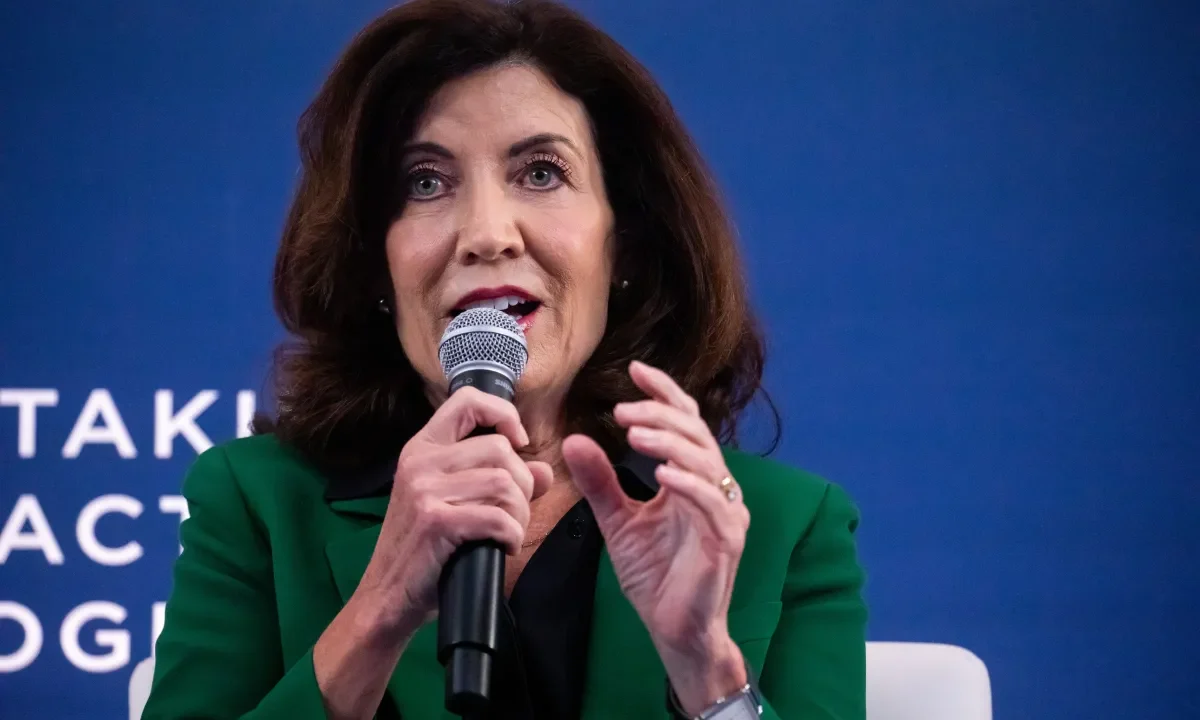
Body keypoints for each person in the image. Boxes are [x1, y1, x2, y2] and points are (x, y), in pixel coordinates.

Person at [142, 0, 867, 718]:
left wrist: (705, 669)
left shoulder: (786, 523)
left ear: (625, 245)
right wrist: (378, 612)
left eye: (542, 173)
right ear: (376, 264)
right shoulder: (257, 505)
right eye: (425, 182)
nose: (487, 234)